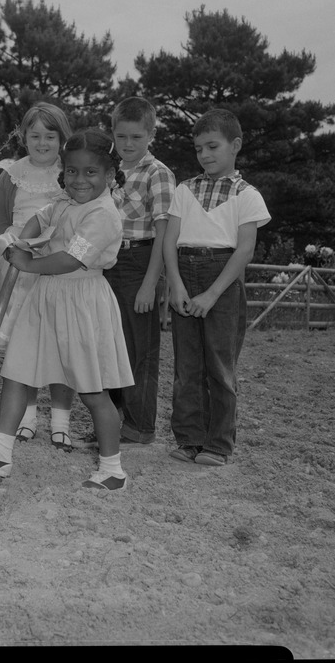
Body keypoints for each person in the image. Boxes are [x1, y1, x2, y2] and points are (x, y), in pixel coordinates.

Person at [0, 129, 135, 492]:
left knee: (92, 389)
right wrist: (19, 240)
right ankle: (0, 450)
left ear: (109, 175)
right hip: (45, 298)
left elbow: (69, 259)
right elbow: (41, 220)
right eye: (72, 171)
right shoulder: (63, 202)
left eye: (91, 172)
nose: (79, 180)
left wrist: (27, 263)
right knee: (17, 370)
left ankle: (112, 469)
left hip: (81, 300)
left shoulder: (104, 214)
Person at [163, 109, 270, 467]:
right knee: (186, 367)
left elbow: (245, 250)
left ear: (235, 145)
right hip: (185, 272)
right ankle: (189, 439)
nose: (204, 155)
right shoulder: (184, 189)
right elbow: (170, 242)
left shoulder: (248, 196)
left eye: (212, 146)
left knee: (220, 367)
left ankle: (219, 444)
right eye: (198, 149)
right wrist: (175, 284)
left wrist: (212, 293)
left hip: (222, 279)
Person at [0, 103, 76, 451]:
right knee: (22, 342)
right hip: (20, 259)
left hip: (56, 258)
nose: (42, 143)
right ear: (23, 137)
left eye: (50, 136)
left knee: (58, 341)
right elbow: (0, 217)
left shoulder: (71, 172)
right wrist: (12, 247)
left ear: (61, 138)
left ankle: (61, 419)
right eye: (35, 135)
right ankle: (26, 414)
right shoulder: (10, 173)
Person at [102, 97, 176, 445]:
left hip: (139, 261)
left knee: (139, 347)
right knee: (109, 344)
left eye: (135, 137)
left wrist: (151, 284)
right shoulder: (108, 169)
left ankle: (140, 425)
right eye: (121, 137)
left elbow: (164, 232)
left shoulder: (157, 172)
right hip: (107, 262)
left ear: (151, 134)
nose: (127, 144)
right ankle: (111, 420)